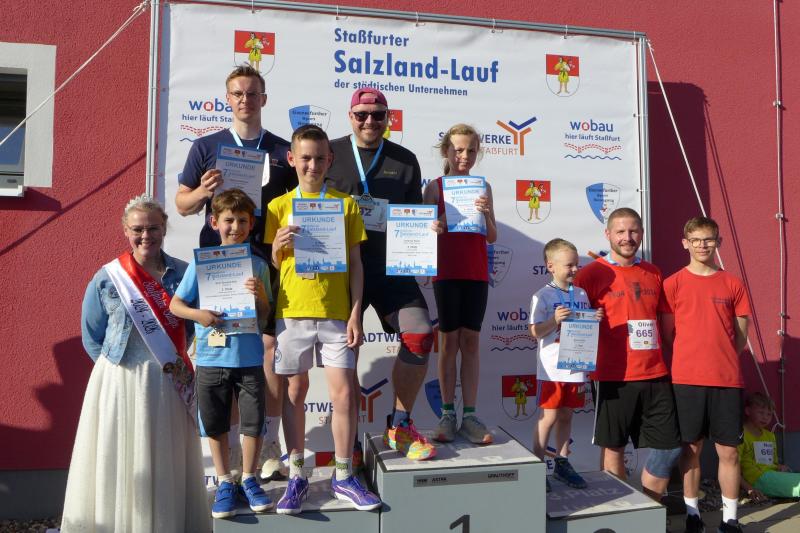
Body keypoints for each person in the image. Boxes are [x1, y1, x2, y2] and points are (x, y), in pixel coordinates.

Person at [175, 65, 296, 480]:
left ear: (264, 99)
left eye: (253, 93)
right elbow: (182, 204)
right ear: (228, 99)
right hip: (219, 267)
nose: (246, 99)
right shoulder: (206, 146)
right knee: (224, 357)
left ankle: (269, 443)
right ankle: (227, 460)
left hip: (266, 261)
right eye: (238, 93)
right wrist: (203, 191)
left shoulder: (282, 150)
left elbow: (297, 202)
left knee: (268, 352)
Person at [62, 195, 209, 532]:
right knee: (117, 454)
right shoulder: (108, 278)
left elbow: (193, 326)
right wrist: (113, 375)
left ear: (164, 228)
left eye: (153, 228)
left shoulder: (184, 273)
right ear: (126, 230)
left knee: (165, 455)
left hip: (167, 380)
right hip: (119, 380)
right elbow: (92, 336)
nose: (146, 236)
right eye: (138, 229)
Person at [266, 124, 380, 514]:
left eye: (319, 158)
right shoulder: (278, 207)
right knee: (294, 393)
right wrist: (277, 247)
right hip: (292, 313)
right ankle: (297, 475)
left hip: (335, 314)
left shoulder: (345, 205)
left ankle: (344, 475)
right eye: (305, 158)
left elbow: (356, 264)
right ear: (292, 159)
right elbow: (274, 265)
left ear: (329, 160)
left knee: (344, 394)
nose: (312, 165)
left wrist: (355, 313)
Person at [325, 87, 437, 460]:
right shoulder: (329, 153)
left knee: (420, 334)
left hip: (393, 269)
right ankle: (350, 446)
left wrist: (428, 230)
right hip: (343, 271)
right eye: (362, 115)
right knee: (345, 352)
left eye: (378, 115)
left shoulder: (405, 160)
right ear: (350, 116)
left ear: (388, 117)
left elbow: (415, 216)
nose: (370, 121)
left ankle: (400, 426)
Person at [170, 189, 273, 519]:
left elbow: (266, 317)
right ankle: (225, 480)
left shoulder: (259, 265)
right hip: (212, 357)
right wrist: (199, 315)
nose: (235, 227)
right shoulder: (201, 263)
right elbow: (176, 305)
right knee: (215, 422)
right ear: (214, 222)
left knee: (253, 422)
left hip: (249, 357)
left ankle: (250, 477)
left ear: (251, 223)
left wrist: (260, 296)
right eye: (229, 220)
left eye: (242, 221)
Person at [573, 208, 681, 493]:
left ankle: (650, 508)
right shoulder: (590, 274)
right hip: (612, 376)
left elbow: (665, 323)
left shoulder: (653, 272)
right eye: (620, 231)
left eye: (633, 231)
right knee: (614, 448)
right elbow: (574, 325)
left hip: (655, 373)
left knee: (669, 448)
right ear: (608, 234)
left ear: (642, 234)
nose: (627, 237)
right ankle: (623, 510)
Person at [661, 216, 751, 533]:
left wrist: (719, 358)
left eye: (708, 239)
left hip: (726, 381)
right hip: (686, 381)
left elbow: (740, 337)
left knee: (729, 452)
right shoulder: (672, 284)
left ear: (718, 242)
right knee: (691, 451)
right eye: (696, 239)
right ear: (685, 243)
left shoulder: (733, 283)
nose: (702, 245)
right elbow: (669, 335)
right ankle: (693, 516)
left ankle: (730, 519)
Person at [422, 124, 497, 445]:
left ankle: (470, 415)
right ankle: (447, 414)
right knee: (448, 343)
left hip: (476, 274)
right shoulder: (434, 188)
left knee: (471, 343)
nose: (464, 156)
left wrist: (487, 214)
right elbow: (420, 235)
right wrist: (435, 225)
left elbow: (492, 236)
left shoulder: (483, 187)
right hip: (447, 273)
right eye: (458, 150)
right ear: (446, 152)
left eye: (470, 150)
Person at [530, 238, 603, 491]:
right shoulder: (542, 295)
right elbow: (534, 332)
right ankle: (537, 467)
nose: (574, 269)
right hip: (551, 369)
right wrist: (554, 320)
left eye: (576, 265)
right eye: (569, 265)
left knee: (566, 415)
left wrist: (594, 318)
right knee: (548, 417)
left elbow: (584, 324)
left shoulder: (581, 293)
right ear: (550, 266)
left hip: (576, 365)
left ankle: (562, 462)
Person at [739, 392, 799, 500]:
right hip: (757, 479)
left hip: (771, 475)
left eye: (769, 414)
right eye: (761, 412)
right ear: (748, 411)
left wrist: (779, 467)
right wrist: (749, 489)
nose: (765, 417)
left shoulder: (769, 435)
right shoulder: (741, 434)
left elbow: (772, 463)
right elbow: (732, 467)